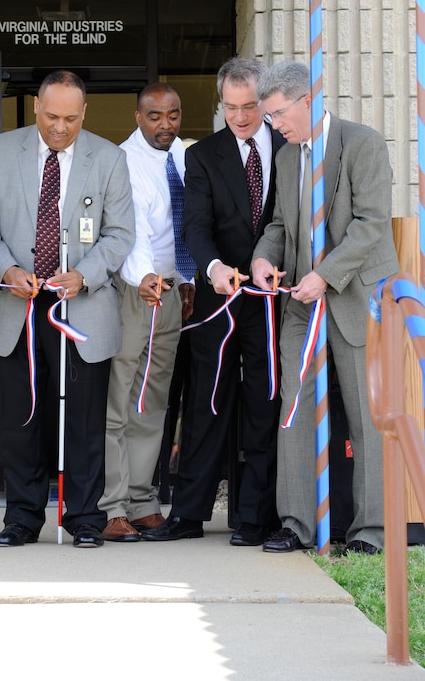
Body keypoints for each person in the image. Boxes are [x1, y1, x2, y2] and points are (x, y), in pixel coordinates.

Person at [0, 70, 135, 549]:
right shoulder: (1, 150)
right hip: (17, 306)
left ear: (83, 113)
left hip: (80, 306)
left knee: (84, 421)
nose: (60, 128)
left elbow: (121, 233)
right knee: (22, 420)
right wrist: (6, 270)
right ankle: (21, 518)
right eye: (51, 117)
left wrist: (85, 274)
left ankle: (84, 517)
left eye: (70, 118)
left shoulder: (109, 157)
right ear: (36, 108)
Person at [251, 60, 399, 554]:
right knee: (294, 410)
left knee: (367, 416)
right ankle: (296, 523)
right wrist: (261, 260)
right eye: (268, 117)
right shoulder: (288, 155)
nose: (273, 125)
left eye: (276, 114)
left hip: (358, 301)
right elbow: (278, 225)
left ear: (306, 100)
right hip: (299, 302)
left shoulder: (364, 143)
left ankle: (371, 532)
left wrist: (325, 275)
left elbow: (371, 224)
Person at [142, 58, 284, 545]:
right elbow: (195, 226)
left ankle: (255, 516)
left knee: (264, 401)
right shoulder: (202, 155)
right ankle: (188, 513)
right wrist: (213, 269)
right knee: (206, 402)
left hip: (272, 299)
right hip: (217, 295)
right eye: (230, 107)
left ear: (265, 103)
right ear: (220, 104)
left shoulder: (291, 148)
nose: (240, 118)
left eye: (249, 107)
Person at [99, 83, 195, 542]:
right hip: (133, 291)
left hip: (171, 294)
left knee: (152, 400)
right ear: (138, 117)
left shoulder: (183, 157)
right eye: (155, 116)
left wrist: (188, 280)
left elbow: (187, 225)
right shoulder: (123, 161)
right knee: (119, 400)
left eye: (173, 115)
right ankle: (111, 505)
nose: (165, 125)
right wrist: (142, 280)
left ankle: (141, 501)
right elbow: (129, 230)